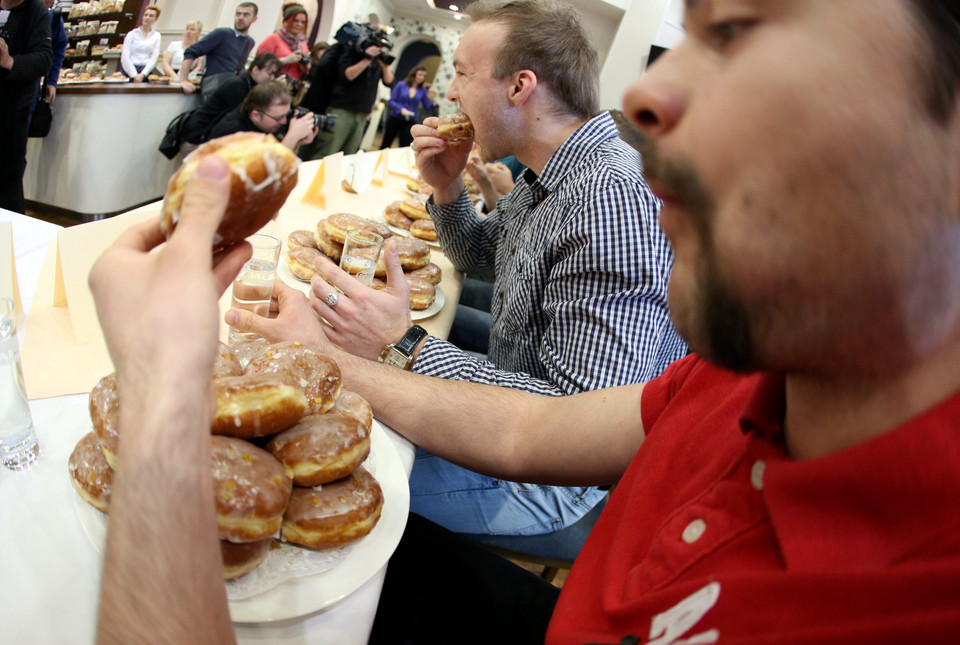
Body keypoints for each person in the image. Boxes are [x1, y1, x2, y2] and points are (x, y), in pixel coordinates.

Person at [91, 0, 960, 641]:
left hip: (558, 502)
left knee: (296, 507)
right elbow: (530, 390)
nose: (648, 91)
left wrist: (171, 387)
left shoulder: (610, 194)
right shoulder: (745, 370)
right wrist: (338, 341)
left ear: (518, 85)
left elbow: (561, 405)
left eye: (739, 33)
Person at [254, 0, 688, 540]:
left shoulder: (608, 198)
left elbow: (577, 423)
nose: (451, 93)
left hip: (546, 483)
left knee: (306, 476)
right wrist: (447, 186)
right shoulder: (546, 172)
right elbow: (479, 255)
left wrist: (405, 341)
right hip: (515, 382)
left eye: (461, 73)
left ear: (519, 87)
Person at [298, 19, 394, 160]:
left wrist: (385, 66)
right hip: (342, 109)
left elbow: (389, 81)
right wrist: (367, 59)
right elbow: (347, 75)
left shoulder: (378, 60)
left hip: (362, 113)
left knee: (349, 156)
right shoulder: (352, 52)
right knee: (328, 152)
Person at [0, 0, 52, 214]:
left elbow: (45, 59)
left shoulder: (35, 10)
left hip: (11, 115)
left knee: (8, 185)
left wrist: (9, 61)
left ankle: (11, 241)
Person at [180, 52, 279, 151]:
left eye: (274, 75)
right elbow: (247, 120)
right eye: (270, 74)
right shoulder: (237, 87)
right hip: (198, 139)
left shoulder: (246, 84)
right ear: (255, 69)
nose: (272, 78)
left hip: (208, 137)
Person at [207, 78, 316, 154]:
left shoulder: (267, 123)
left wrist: (297, 142)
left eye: (286, 115)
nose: (284, 121)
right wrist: (292, 137)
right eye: (278, 118)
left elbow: (286, 164)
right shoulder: (231, 133)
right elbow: (265, 171)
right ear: (256, 115)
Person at [179, 2, 257, 97]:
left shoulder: (249, 42)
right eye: (238, 14)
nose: (240, 18)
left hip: (233, 87)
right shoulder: (222, 34)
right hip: (214, 86)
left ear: (254, 19)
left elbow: (239, 66)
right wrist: (183, 80)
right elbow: (191, 51)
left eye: (246, 15)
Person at [379, 65, 434, 149]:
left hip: (410, 121)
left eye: (423, 76)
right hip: (396, 117)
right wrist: (401, 109)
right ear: (414, 74)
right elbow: (392, 101)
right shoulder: (401, 85)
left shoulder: (422, 90)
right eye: (420, 74)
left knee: (404, 146)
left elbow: (426, 106)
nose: (421, 77)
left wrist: (433, 103)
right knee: (386, 143)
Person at [255, 2, 308, 83]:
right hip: (269, 85)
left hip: (290, 89)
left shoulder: (303, 45)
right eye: (295, 21)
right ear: (286, 21)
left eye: (303, 22)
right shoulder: (273, 39)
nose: (299, 25)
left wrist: (305, 67)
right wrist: (284, 60)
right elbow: (259, 64)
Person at [119, 4, 161, 81]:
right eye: (145, 15)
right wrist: (134, 75)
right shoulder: (131, 34)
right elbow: (125, 57)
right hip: (129, 70)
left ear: (156, 19)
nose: (147, 18)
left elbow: (154, 57)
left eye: (151, 16)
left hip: (145, 71)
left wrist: (143, 74)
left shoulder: (156, 36)